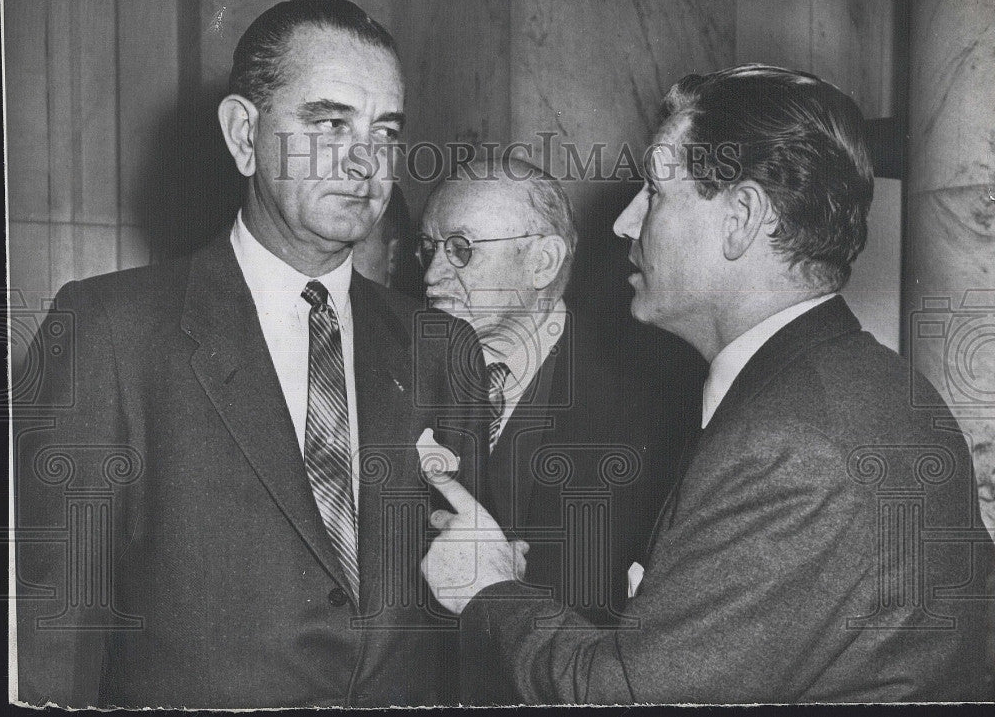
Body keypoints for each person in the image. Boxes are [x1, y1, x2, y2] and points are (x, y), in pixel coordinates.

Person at [419, 65, 995, 703]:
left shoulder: (790, 441)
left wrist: (488, 589)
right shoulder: (867, 386)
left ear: (742, 217)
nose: (624, 223)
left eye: (655, 192)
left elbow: (620, 696)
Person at [15, 0, 484, 708]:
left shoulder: (443, 350)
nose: (365, 161)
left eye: (385, 132)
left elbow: (463, 630)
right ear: (243, 134)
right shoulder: (108, 332)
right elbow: (54, 637)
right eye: (329, 124)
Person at [418, 158, 701, 702]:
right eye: (427, 249)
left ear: (543, 261)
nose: (432, 276)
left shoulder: (659, 398)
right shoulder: (399, 369)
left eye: (461, 250)